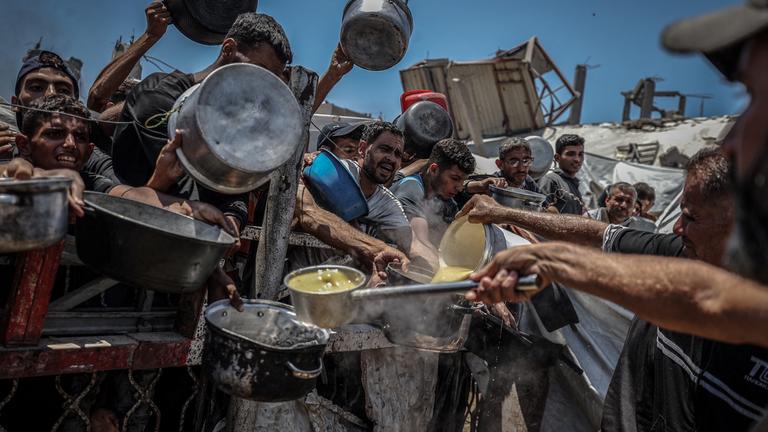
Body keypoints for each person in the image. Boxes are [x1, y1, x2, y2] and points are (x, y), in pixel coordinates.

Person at [460, 147, 768, 430]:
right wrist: (504, 213)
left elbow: (699, 296)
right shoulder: (681, 249)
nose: (676, 227)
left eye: (691, 218)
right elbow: (601, 234)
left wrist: (555, 261)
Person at [390, 138, 475, 268]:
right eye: (455, 178)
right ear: (434, 170)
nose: (459, 187)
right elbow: (420, 242)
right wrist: (449, 272)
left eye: (462, 181)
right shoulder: (410, 189)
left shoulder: (446, 200)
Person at [538, 134, 585, 214]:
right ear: (557, 158)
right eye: (571, 154)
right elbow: (540, 212)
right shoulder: (550, 180)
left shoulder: (574, 184)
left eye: (580, 154)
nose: (577, 159)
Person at [586, 182, 655, 232]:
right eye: (619, 199)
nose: (623, 205)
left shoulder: (642, 227)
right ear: (607, 200)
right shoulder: (590, 218)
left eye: (629, 202)